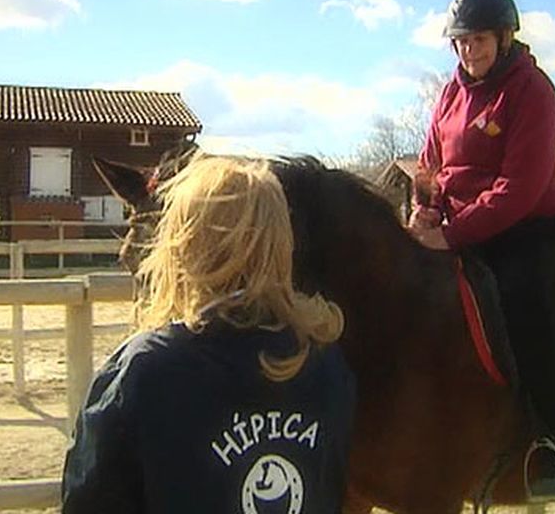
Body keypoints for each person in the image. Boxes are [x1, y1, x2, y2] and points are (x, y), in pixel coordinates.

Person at [62, 156, 356, 514]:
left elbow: (88, 500)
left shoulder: (143, 372)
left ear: (182, 244)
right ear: (281, 241)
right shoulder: (327, 364)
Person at [407, 0, 555, 501]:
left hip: (530, 227)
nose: (469, 51)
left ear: (504, 39)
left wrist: (450, 235)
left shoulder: (534, 93)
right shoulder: (450, 94)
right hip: (461, 225)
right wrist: (425, 210)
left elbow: (517, 189)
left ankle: (552, 442)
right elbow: (430, 165)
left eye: (478, 39)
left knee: (523, 298)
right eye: (461, 42)